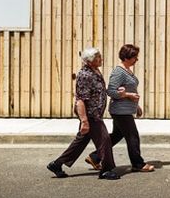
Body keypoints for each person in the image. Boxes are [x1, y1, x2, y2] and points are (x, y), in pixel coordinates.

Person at [46, 47, 119, 180]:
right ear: (90, 61)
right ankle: (106, 170)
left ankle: (56, 164)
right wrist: (84, 121)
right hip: (91, 115)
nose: (101, 59)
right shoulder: (85, 75)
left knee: (80, 141)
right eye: (98, 57)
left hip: (94, 113)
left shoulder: (94, 70)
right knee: (105, 140)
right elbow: (80, 100)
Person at [89, 43, 154, 173]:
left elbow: (128, 90)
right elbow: (111, 91)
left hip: (125, 109)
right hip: (120, 111)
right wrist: (129, 95)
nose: (137, 59)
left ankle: (95, 157)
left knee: (118, 135)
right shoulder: (119, 71)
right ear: (127, 57)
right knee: (133, 136)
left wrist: (136, 106)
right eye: (134, 57)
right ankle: (138, 163)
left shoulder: (126, 70)